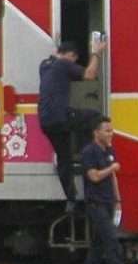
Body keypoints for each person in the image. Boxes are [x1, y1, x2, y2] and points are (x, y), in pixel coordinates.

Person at [36, 35, 105, 203]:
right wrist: (96, 53)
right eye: (74, 60)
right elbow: (90, 75)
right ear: (71, 55)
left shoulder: (44, 65)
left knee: (63, 157)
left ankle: (71, 199)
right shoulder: (64, 64)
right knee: (94, 117)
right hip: (61, 116)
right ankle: (87, 155)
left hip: (46, 121)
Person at [78, 115, 127, 264]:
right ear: (96, 132)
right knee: (111, 239)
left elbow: (113, 178)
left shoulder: (109, 151)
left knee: (97, 244)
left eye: (111, 130)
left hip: (108, 202)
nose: (110, 134)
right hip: (95, 203)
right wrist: (111, 168)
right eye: (107, 131)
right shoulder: (89, 152)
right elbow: (94, 176)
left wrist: (118, 199)